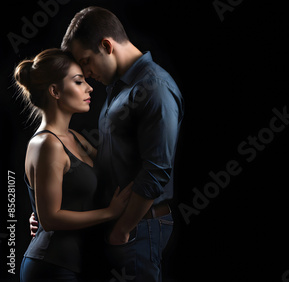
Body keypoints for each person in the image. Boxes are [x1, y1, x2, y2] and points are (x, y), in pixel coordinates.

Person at [31, 6, 184, 281]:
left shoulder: (155, 87)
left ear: (106, 46)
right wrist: (47, 215)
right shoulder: (119, 87)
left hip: (138, 227)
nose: (87, 74)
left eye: (86, 62)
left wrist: (122, 228)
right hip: (114, 228)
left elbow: (157, 170)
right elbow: (109, 160)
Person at [16, 48, 132, 282]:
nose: (89, 88)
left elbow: (111, 170)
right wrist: (109, 213)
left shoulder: (75, 137)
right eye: (78, 82)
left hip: (81, 265)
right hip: (51, 267)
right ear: (55, 91)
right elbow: (49, 219)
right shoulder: (47, 144)